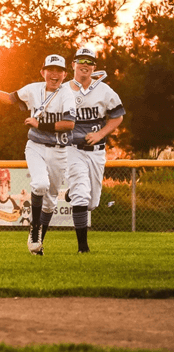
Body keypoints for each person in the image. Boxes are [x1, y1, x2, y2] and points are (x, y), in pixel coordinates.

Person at [0, 54, 75, 255]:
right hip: (36, 146)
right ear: (43, 72)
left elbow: (69, 124)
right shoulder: (33, 89)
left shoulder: (67, 94)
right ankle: (35, 230)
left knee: (50, 202)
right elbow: (8, 98)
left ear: (65, 74)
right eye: (51, 69)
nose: (54, 74)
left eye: (59, 70)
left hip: (59, 152)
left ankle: (37, 241)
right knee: (39, 184)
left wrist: (39, 124)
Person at [64, 47, 125, 253]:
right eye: (81, 60)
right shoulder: (63, 90)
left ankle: (72, 192)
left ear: (94, 67)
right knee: (81, 196)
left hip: (97, 152)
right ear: (73, 65)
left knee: (92, 203)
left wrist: (100, 134)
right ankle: (83, 248)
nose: (85, 64)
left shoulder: (104, 90)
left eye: (89, 61)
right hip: (72, 149)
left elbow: (117, 116)